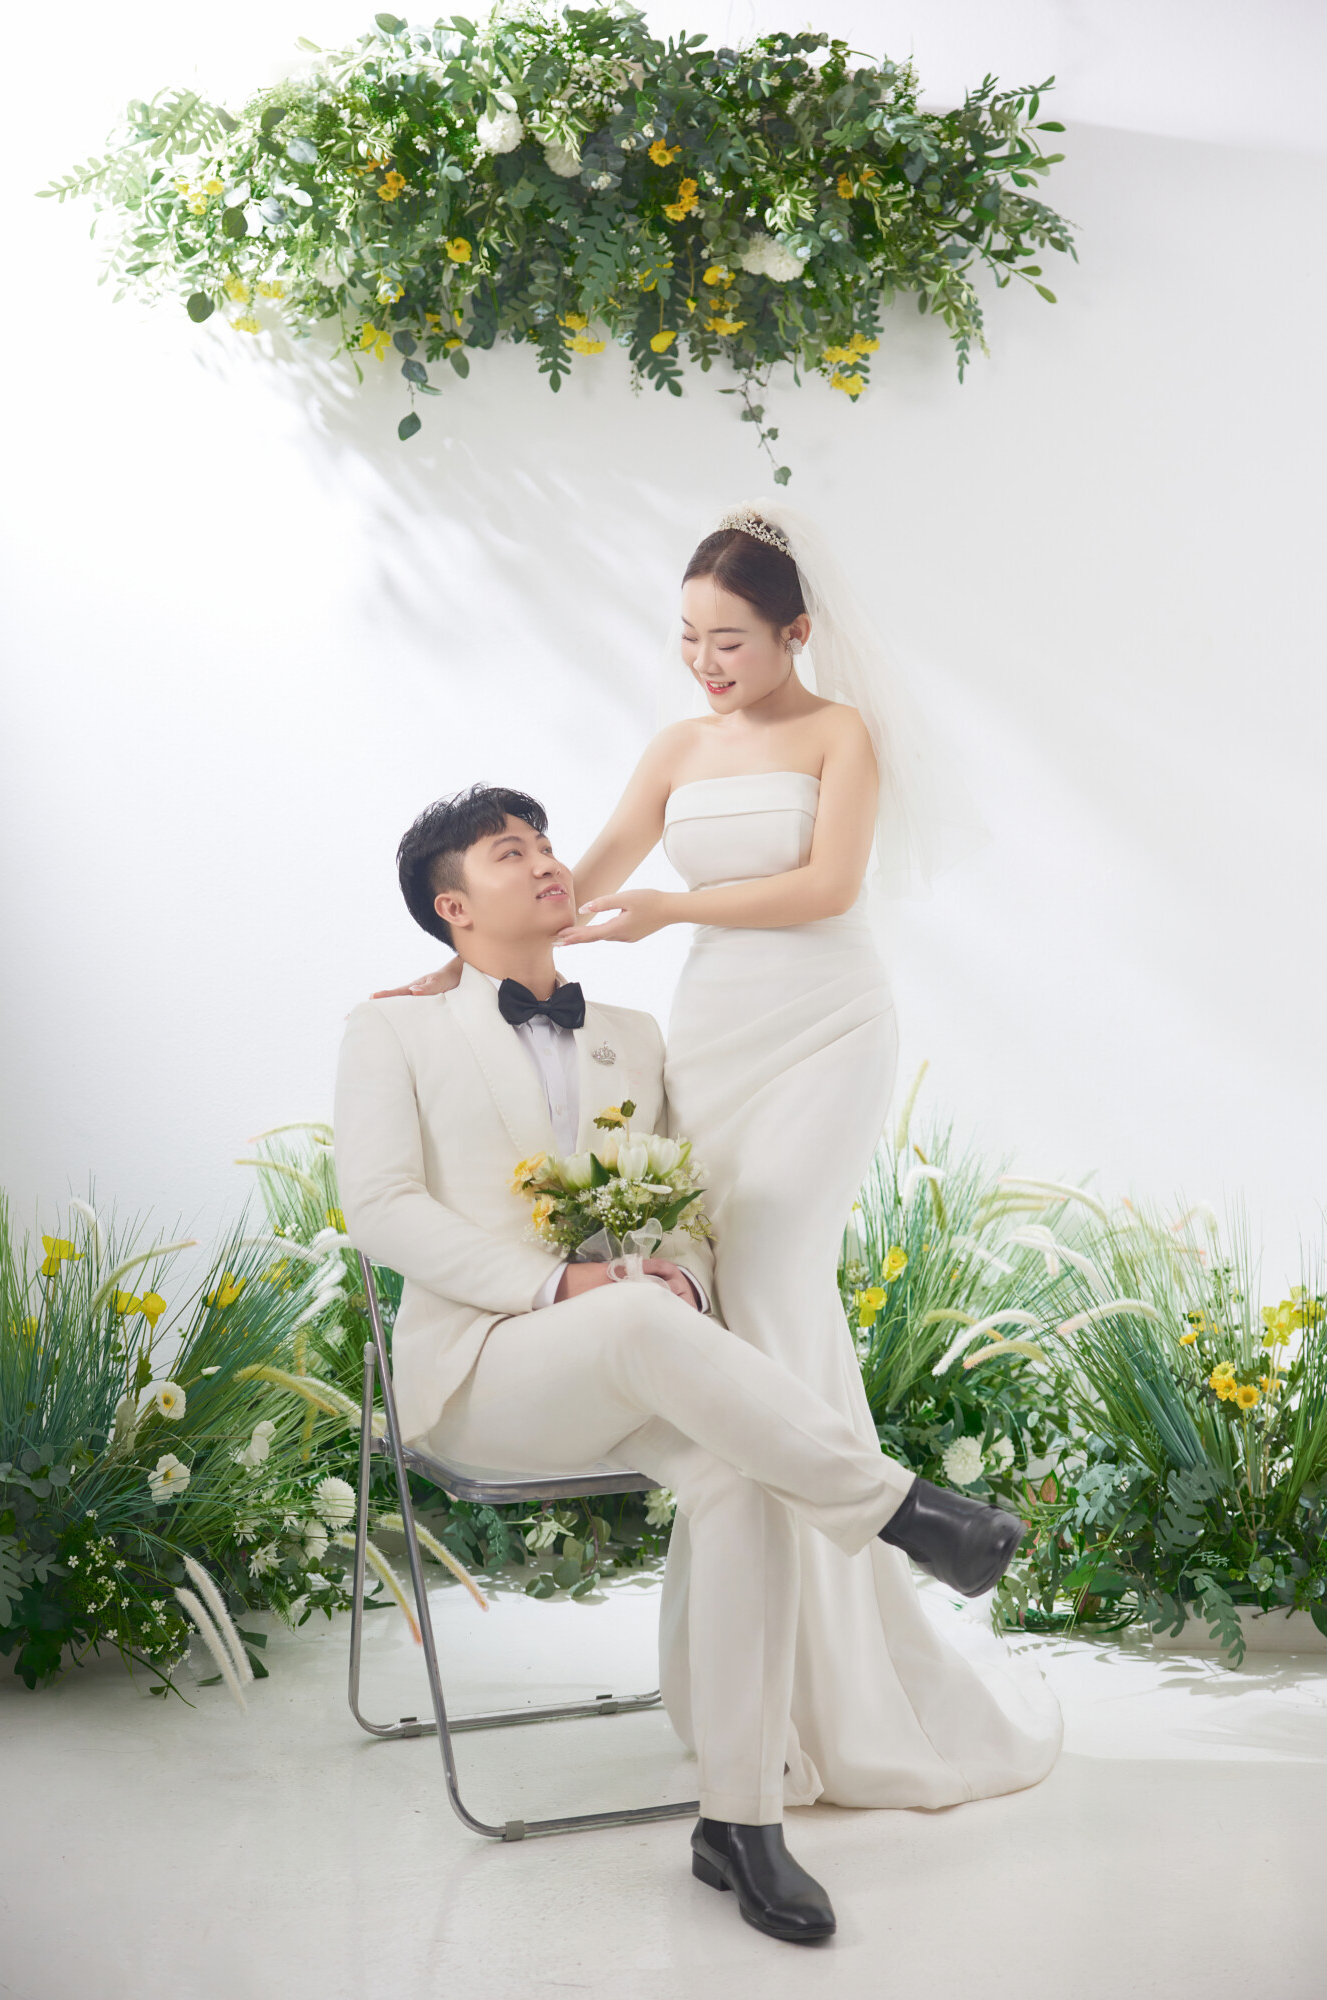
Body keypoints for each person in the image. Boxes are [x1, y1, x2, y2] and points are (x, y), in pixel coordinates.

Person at [376, 500, 1062, 1824]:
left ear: (796, 633)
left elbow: (827, 888)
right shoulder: (676, 747)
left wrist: (675, 908)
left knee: (776, 1273)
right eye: (687, 637)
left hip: (823, 1020)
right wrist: (455, 960)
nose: (703, 663)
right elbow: (581, 877)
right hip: (714, 1030)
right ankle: (780, 1662)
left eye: (729, 640)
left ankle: (854, 1668)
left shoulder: (838, 734)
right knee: (731, 1292)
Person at [337, 782, 1029, 1943]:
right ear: (453, 906)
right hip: (480, 1374)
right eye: (510, 852)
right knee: (628, 1320)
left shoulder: (633, 1036)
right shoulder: (391, 1029)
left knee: (736, 1475)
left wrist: (684, 1282)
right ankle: (903, 1509)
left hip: (623, 1356)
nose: (547, 861)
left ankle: (740, 1821)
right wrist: (562, 1285)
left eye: (545, 842)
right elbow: (380, 1207)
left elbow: (682, 1206)